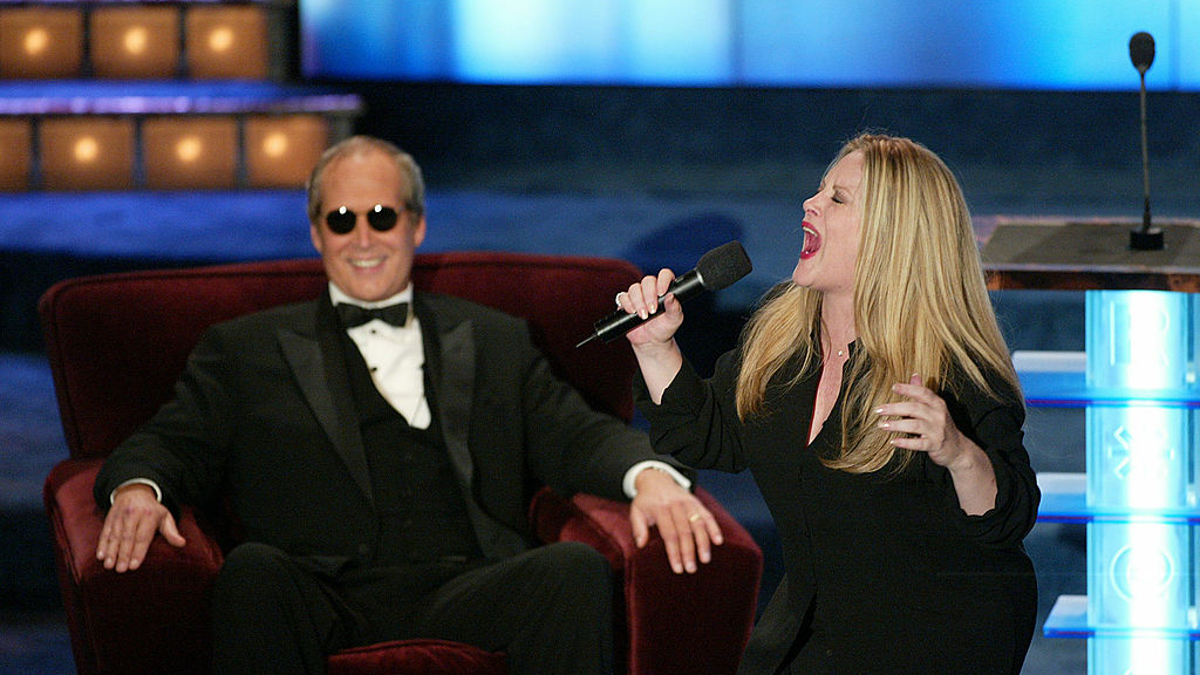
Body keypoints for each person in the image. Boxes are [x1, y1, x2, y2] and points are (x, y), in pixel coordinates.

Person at [92, 135, 723, 675]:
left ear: (416, 225)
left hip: (465, 581)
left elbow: (575, 433)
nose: (362, 237)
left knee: (572, 571)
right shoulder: (242, 349)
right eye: (341, 219)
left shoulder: (493, 338)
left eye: (382, 216)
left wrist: (651, 479)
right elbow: (173, 442)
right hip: (316, 588)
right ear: (316, 232)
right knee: (251, 573)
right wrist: (138, 490)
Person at [618, 133, 1039, 674]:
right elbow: (706, 435)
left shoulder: (953, 369)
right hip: (816, 632)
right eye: (819, 190)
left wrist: (958, 452)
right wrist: (655, 348)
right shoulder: (782, 346)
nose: (809, 204)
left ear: (893, 238)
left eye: (837, 199)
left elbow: (1007, 518)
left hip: (938, 639)